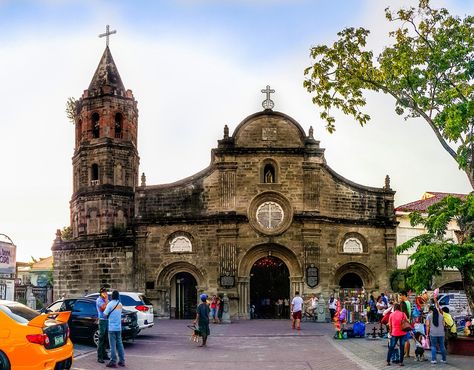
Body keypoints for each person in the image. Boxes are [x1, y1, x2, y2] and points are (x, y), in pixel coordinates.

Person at [104, 290, 125, 368]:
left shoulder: (110, 304)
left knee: (112, 345)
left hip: (112, 328)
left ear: (112, 296)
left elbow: (105, 314)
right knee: (120, 344)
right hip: (119, 327)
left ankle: (113, 361)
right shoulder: (120, 304)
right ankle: (122, 361)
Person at [426, 297, 447, 364]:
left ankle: (434, 360)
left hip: (433, 333)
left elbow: (427, 325)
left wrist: (427, 333)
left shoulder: (429, 316)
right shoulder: (441, 316)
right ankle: (444, 359)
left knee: (433, 346)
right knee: (442, 346)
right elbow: (444, 324)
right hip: (441, 333)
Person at [95, 287, 109, 364]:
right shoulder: (99, 300)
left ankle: (104, 354)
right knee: (101, 338)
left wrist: (107, 301)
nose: (105, 293)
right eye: (103, 292)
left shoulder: (105, 300)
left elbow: (109, 308)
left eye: (105, 292)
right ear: (101, 293)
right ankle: (99, 356)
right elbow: (104, 308)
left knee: (106, 338)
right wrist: (106, 300)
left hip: (107, 320)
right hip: (102, 320)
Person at [399, 291, 412, 358]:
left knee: (406, 339)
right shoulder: (408, 302)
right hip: (407, 321)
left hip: (405, 322)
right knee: (406, 339)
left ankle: (406, 353)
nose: (400, 297)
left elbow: (405, 312)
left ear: (404, 295)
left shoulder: (405, 303)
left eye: (401, 295)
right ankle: (407, 353)